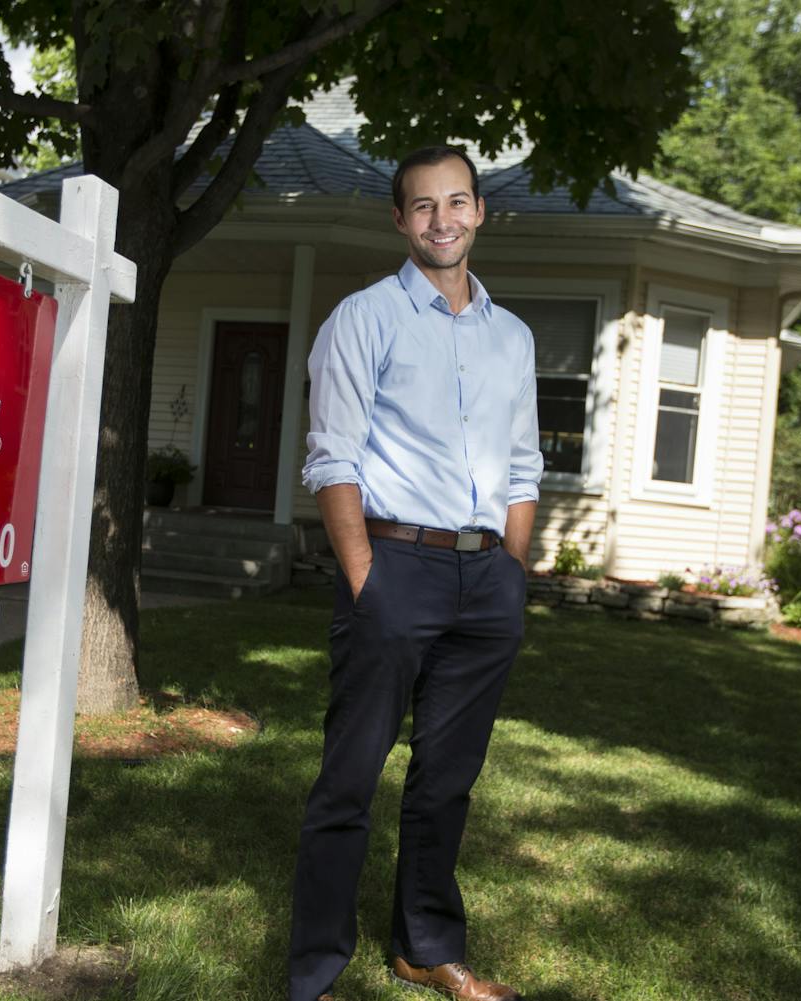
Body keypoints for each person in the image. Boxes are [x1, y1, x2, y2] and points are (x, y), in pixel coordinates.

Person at [289, 145, 542, 1001]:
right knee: (349, 779)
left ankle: (425, 945)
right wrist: (365, 576)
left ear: (479, 212)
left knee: (447, 781)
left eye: (457, 202)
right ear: (401, 221)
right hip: (393, 565)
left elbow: (521, 466)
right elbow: (332, 458)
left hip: (485, 582)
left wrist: (511, 572)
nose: (442, 219)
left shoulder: (514, 337)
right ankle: (315, 973)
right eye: (423, 206)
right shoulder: (363, 319)